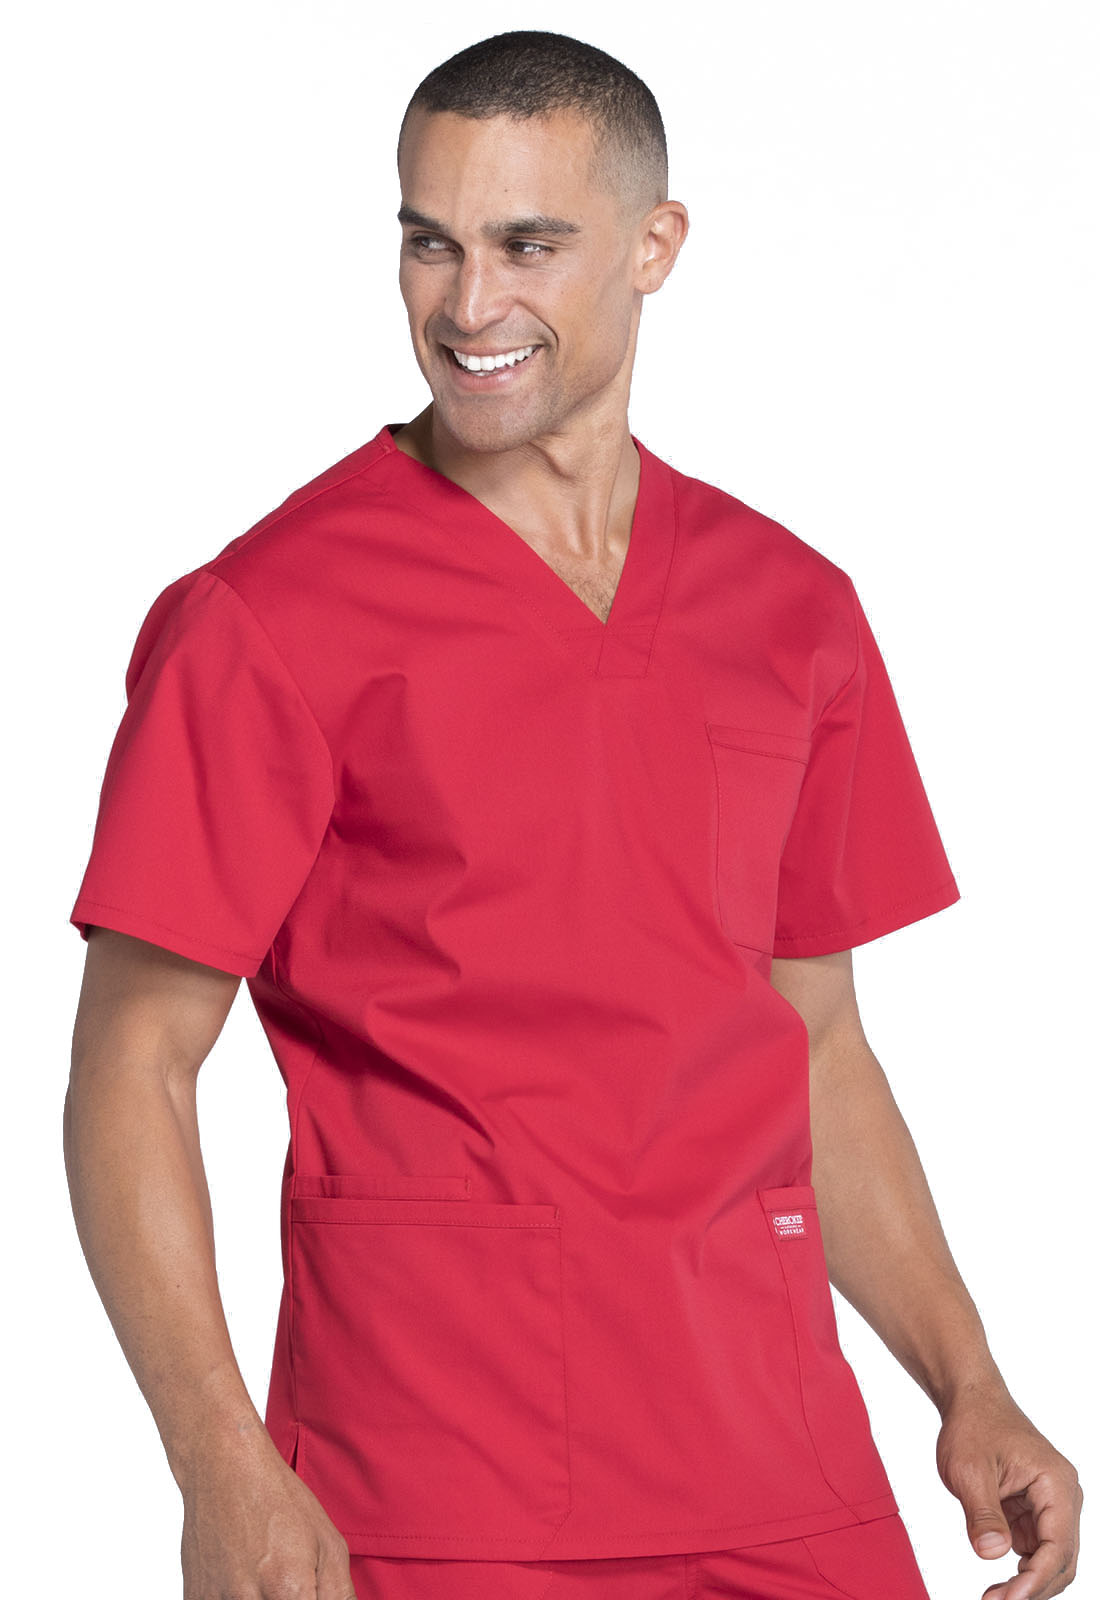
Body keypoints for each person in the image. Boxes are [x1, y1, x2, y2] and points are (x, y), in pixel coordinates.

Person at [64, 27, 1082, 1600]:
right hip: (431, 1482)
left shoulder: (790, 610)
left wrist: (967, 1380)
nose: (468, 306)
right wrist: (219, 1462)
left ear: (655, 246)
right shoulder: (267, 617)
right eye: (431, 242)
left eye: (527, 246)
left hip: (779, 1468)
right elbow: (134, 1063)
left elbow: (817, 1046)